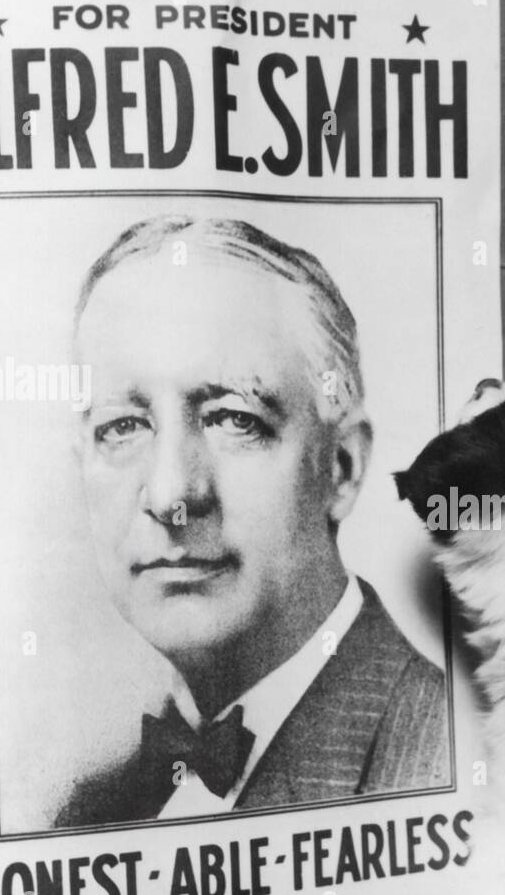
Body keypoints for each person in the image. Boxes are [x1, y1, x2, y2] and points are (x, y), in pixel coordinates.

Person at [55, 214, 449, 827]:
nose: (171, 496)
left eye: (233, 419)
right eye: (122, 427)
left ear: (340, 469)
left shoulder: (441, 755)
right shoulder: (85, 813)